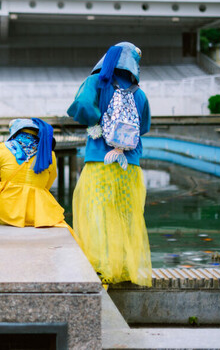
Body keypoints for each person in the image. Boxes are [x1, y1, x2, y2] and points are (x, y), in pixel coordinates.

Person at [67, 42, 152, 288]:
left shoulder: (96, 83)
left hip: (99, 161)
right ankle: (124, 267)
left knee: (97, 213)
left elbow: (82, 106)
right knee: (126, 215)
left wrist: (96, 123)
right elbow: (144, 127)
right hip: (130, 166)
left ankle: (101, 267)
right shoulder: (140, 93)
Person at [0, 118, 73, 233]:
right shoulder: (49, 153)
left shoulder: (2, 148)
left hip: (7, 213)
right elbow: (46, 186)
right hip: (39, 214)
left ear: (15, 131)